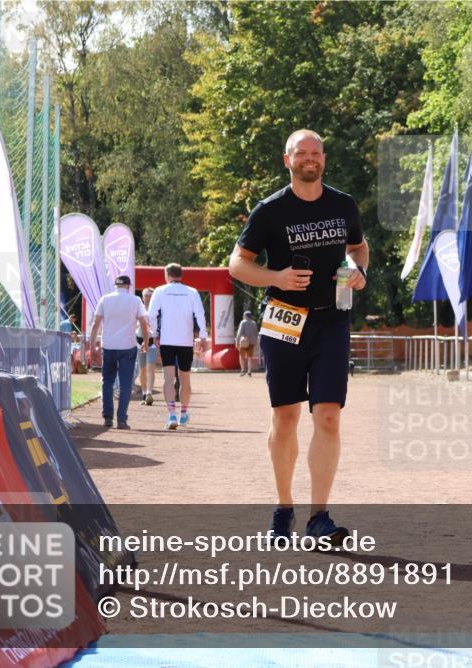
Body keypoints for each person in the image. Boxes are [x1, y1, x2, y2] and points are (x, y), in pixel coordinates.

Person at [228, 129, 368, 545]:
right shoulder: (270, 210)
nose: (310, 159)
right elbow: (238, 264)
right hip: (284, 321)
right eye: (301, 153)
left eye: (316, 153)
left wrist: (359, 271)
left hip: (332, 321)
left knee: (328, 416)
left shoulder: (343, 205)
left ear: (324, 159)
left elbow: (358, 247)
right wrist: (277, 277)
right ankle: (283, 507)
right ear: (287, 160)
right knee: (285, 417)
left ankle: (319, 518)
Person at [148, 263, 208, 430]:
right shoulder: (192, 292)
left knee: (168, 378)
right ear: (181, 275)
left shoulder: (160, 291)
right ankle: (184, 413)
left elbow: (151, 315)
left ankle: (172, 414)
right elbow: (200, 315)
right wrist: (203, 336)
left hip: (167, 340)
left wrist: (154, 333)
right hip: (186, 341)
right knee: (185, 378)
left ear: (167, 275)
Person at [89, 275, 148, 429]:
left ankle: (107, 417)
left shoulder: (105, 299)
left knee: (107, 381)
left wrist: (92, 346)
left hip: (108, 345)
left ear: (115, 285)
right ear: (128, 286)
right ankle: (122, 419)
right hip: (128, 346)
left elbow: (95, 324)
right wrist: (146, 341)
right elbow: (143, 323)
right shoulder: (135, 300)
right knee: (126, 383)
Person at [137, 287, 158, 405]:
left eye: (150, 295)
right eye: (146, 295)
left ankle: (149, 392)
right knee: (142, 369)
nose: (148, 298)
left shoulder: (156, 309)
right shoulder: (138, 309)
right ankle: (144, 393)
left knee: (150, 367)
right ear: (142, 297)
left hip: (152, 342)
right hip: (139, 341)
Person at [235, 310, 259, 376]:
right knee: (250, 357)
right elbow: (256, 334)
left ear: (245, 316)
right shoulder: (254, 323)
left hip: (244, 342)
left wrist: (237, 342)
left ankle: (243, 370)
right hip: (252, 342)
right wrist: (256, 343)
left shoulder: (243, 322)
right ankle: (249, 371)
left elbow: (239, 333)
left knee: (241, 356)